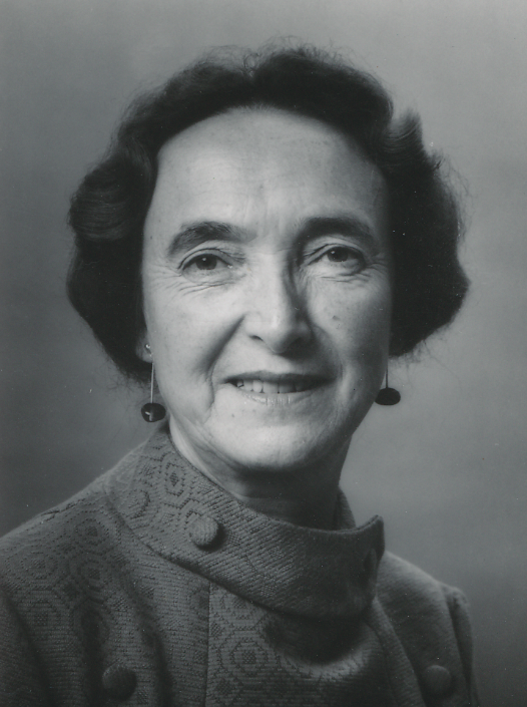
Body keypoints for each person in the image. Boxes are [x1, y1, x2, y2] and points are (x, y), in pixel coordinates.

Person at [0, 44, 478, 706]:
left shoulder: (431, 622)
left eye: (335, 254)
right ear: (138, 318)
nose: (279, 324)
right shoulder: (18, 610)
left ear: (398, 311)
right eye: (208, 260)